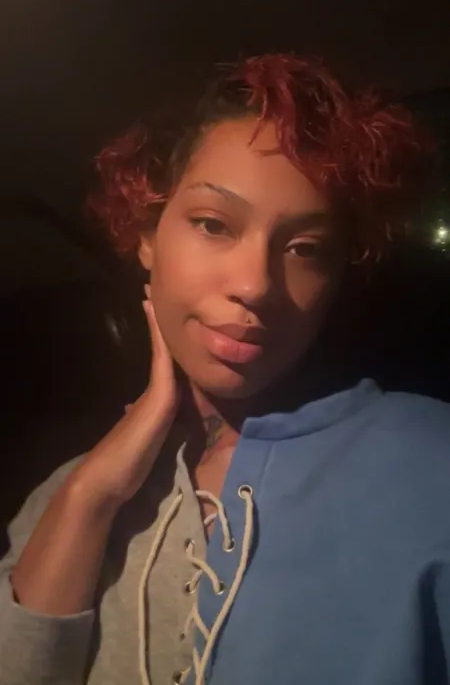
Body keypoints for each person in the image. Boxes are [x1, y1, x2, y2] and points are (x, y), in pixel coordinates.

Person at [1, 53, 449, 685]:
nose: (255, 284)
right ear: (147, 235)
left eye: (306, 249)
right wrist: (90, 496)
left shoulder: (429, 461)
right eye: (213, 224)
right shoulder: (62, 493)